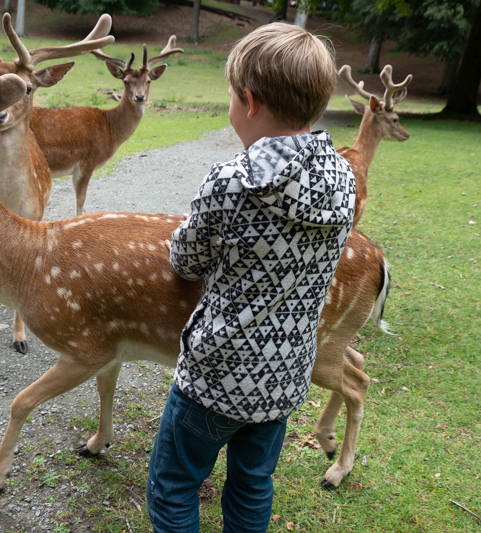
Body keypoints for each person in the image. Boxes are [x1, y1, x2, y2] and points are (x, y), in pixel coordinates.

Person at [147, 22, 356, 533]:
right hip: (284, 378)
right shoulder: (344, 179)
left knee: (173, 486)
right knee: (251, 486)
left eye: (230, 99)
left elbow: (186, 261)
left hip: (215, 377)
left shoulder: (230, 182)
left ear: (249, 99)